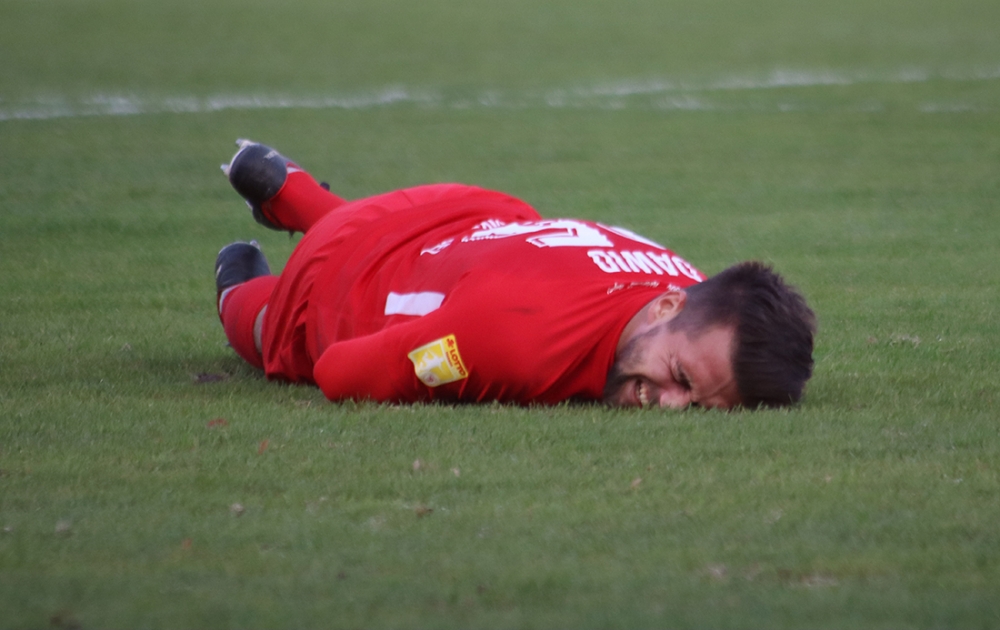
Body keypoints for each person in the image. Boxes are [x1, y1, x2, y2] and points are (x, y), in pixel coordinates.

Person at [214, 140, 816, 409]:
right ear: (666, 307)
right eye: (681, 378)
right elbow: (339, 371)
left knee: (377, 236)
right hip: (346, 273)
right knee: (279, 336)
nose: (673, 407)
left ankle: (292, 191)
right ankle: (238, 283)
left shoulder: (693, 288)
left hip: (471, 214)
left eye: (700, 404)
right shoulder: (518, 340)